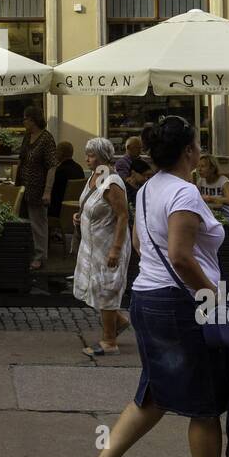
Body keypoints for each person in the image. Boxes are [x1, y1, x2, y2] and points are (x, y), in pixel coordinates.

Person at [78, 115, 229, 457]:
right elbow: (179, 255)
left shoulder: (147, 189)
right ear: (190, 151)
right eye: (197, 146)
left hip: (147, 297)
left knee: (154, 393)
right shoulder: (185, 192)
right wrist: (213, 298)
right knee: (206, 407)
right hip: (180, 304)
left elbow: (142, 243)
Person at [72, 138, 132, 357]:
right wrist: (81, 215)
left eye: (91, 155)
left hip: (108, 245)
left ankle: (109, 342)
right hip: (92, 245)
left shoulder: (112, 181)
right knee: (94, 287)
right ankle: (119, 321)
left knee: (106, 289)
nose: (87, 159)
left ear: (103, 157)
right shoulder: (96, 176)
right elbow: (94, 204)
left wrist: (116, 249)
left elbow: (123, 215)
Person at [17, 106, 56, 271]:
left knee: (38, 224)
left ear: (33, 120)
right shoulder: (27, 136)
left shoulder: (46, 139)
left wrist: (47, 191)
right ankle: (28, 254)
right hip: (24, 187)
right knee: (25, 222)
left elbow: (52, 166)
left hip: (38, 188)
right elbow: (21, 159)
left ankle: (40, 257)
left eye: (25, 118)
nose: (24, 121)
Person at [48, 141, 85, 220]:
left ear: (60, 153)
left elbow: (53, 193)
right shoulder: (79, 168)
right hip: (76, 209)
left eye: (56, 151)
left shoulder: (59, 171)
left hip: (58, 211)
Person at [196, 154, 229, 221]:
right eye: (198, 166)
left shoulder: (223, 181)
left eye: (203, 166)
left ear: (212, 168)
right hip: (211, 217)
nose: (199, 169)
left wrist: (210, 198)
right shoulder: (201, 181)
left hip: (228, 218)